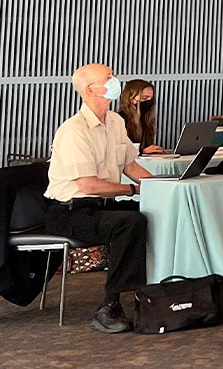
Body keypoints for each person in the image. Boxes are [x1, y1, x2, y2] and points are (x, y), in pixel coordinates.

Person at [44, 63, 155, 333]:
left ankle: (156, 290)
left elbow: (130, 165)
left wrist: (161, 186)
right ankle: (110, 305)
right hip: (69, 211)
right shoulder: (73, 131)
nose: (115, 80)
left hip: (101, 206)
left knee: (155, 212)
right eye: (109, 78)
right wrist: (132, 190)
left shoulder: (116, 122)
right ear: (92, 89)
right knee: (130, 223)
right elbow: (89, 184)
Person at [116, 79, 166, 155]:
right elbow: (116, 150)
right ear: (131, 98)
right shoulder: (119, 119)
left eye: (151, 99)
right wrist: (142, 151)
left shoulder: (146, 120)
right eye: (145, 98)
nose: (148, 102)